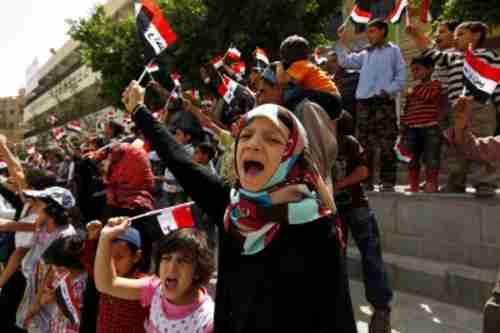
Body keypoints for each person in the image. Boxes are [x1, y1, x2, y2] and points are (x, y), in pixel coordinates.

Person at [122, 80, 357, 332]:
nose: (253, 144)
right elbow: (179, 160)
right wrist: (138, 110)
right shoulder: (231, 207)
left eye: (272, 139)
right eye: (246, 135)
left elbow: (337, 315)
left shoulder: (318, 227)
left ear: (291, 153)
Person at [406, 20, 500, 197]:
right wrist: (417, 35)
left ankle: (484, 182)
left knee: (482, 143)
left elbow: (497, 82)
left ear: (477, 35)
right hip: (456, 107)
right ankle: (456, 180)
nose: (456, 39)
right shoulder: (454, 57)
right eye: (455, 35)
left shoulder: (489, 55)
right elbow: (431, 53)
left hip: (481, 107)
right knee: (455, 144)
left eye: (461, 34)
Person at [332, 110, 393, 333]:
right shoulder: (321, 143)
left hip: (356, 205)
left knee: (371, 256)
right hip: (334, 209)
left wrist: (338, 185)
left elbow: (363, 171)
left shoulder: (348, 142)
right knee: (337, 260)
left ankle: (381, 311)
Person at [95, 222, 215, 333]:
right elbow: (107, 284)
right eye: (167, 258)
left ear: (198, 270)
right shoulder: (155, 289)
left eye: (183, 261)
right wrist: (105, 237)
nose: (171, 268)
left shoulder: (207, 321)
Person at [336, 19, 406, 191]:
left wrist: (388, 90)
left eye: (373, 31)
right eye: (369, 31)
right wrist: (341, 42)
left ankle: (387, 181)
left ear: (383, 31)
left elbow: (401, 77)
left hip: (383, 101)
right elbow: (345, 61)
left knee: (386, 142)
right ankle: (365, 180)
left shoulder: (393, 51)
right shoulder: (366, 53)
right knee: (364, 143)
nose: (369, 34)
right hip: (364, 103)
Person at [79, 221, 149, 333]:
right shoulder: (103, 276)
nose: (113, 263)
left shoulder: (144, 285)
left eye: (119, 257)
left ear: (136, 256)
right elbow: (88, 260)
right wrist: (92, 239)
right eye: (108, 257)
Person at [27, 235, 88, 333]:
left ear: (63, 266)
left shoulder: (83, 284)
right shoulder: (64, 277)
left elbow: (77, 315)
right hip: (59, 326)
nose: (53, 268)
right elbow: (50, 296)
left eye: (54, 265)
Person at [400, 56, 442, 193]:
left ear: (430, 69)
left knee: (431, 157)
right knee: (412, 158)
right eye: (412, 70)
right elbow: (407, 109)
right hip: (413, 129)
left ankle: (431, 183)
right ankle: (414, 184)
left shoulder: (435, 85)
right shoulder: (414, 89)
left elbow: (428, 96)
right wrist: (404, 124)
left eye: (417, 69)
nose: (414, 73)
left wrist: (413, 92)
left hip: (431, 128)